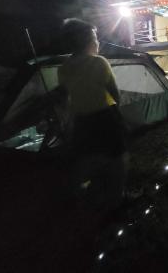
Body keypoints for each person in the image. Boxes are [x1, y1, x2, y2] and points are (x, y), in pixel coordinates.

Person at [58, 18, 128, 211]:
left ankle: (79, 195)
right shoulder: (99, 62)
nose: (97, 42)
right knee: (117, 158)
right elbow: (114, 93)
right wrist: (118, 113)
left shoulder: (63, 68)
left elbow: (67, 97)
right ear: (87, 41)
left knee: (88, 157)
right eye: (95, 37)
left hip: (82, 121)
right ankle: (116, 200)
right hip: (106, 117)